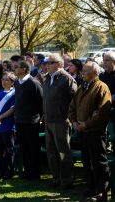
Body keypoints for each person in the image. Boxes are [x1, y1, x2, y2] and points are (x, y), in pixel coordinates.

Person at [68, 61, 111, 201]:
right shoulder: (81, 87)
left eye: (86, 70)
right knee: (86, 161)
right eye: (83, 70)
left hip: (95, 131)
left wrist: (86, 124)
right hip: (82, 131)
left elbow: (102, 112)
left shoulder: (101, 87)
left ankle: (102, 191)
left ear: (95, 72)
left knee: (98, 161)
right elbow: (72, 107)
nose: (82, 73)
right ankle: (90, 187)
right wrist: (74, 122)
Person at [43, 54, 77, 189]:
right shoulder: (47, 78)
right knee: (51, 152)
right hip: (48, 120)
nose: (47, 65)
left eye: (51, 62)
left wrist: (69, 117)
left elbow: (75, 101)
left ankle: (66, 180)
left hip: (61, 121)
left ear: (59, 64)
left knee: (63, 152)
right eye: (47, 63)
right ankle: (56, 178)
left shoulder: (66, 79)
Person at [12, 60, 43, 180]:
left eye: (17, 67)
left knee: (33, 148)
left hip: (31, 121)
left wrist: (40, 118)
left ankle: (35, 173)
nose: (14, 68)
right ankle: (27, 171)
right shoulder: (17, 83)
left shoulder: (34, 83)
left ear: (24, 69)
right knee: (24, 147)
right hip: (19, 120)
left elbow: (41, 101)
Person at [0, 71, 16, 179]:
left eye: (7, 80)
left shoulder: (14, 93)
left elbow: (13, 109)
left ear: (12, 82)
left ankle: (8, 171)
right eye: (3, 79)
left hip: (8, 125)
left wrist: (0, 117)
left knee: (9, 150)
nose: (4, 82)